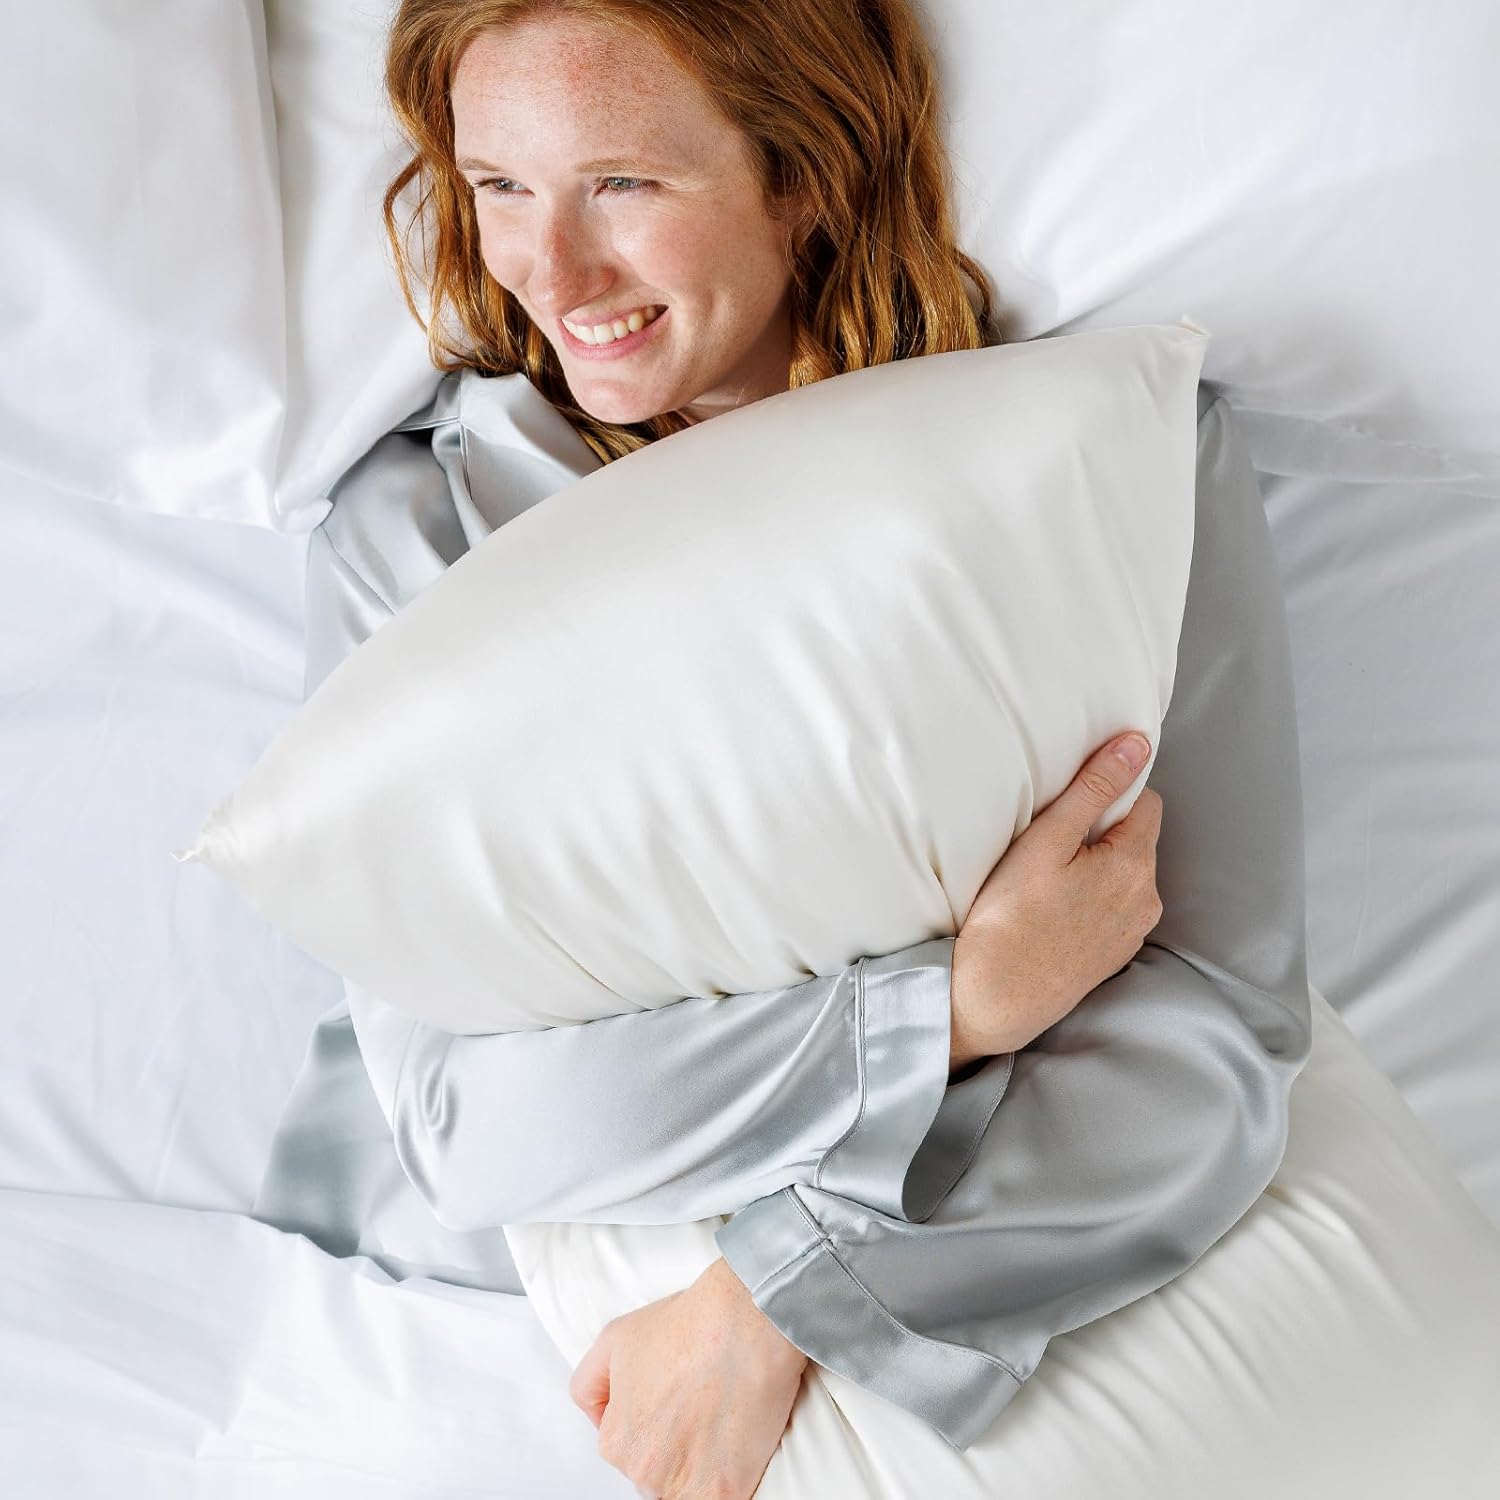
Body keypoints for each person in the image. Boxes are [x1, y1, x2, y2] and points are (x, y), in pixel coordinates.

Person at [252, 2, 1314, 1497]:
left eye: (622, 183)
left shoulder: (1101, 461)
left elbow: (1214, 1027)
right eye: (498, 186)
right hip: (446, 1328)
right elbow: (469, 1127)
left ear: (800, 172)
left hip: (949, 1325)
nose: (551, 271)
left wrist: (778, 1295)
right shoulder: (418, 540)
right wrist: (953, 1007)